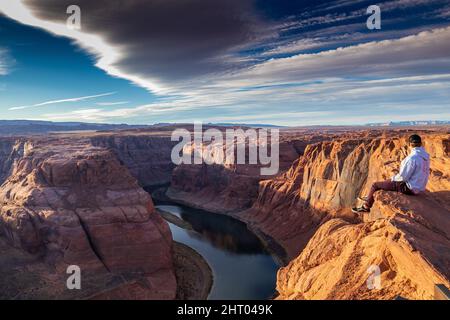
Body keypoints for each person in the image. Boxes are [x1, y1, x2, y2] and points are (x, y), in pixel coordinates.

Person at [352, 134, 430, 213]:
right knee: (388, 182)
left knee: (375, 185)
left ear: (409, 144)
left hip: (409, 188)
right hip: (419, 187)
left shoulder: (412, 158)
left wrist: (392, 179)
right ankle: (370, 196)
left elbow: (403, 177)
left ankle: (366, 207)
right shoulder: (425, 157)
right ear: (421, 144)